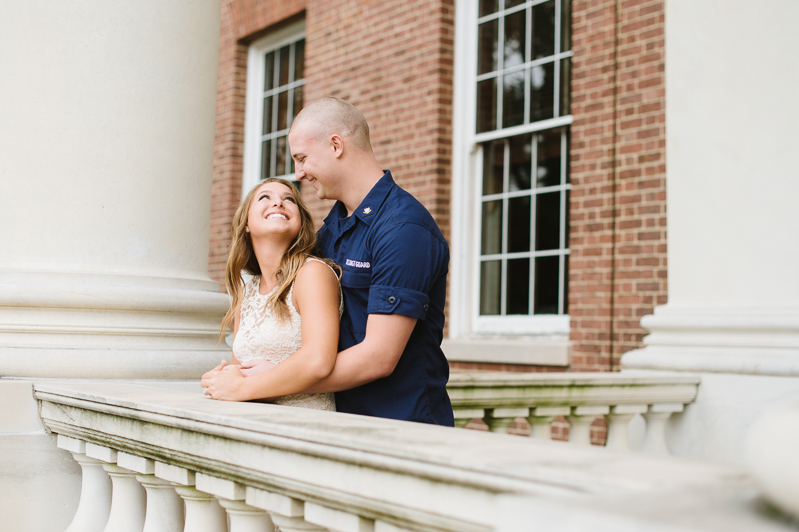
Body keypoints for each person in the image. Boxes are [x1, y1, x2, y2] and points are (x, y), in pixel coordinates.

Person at [241, 97, 454, 426]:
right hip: (339, 425)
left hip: (400, 428)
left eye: (302, 158)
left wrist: (267, 383)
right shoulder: (330, 231)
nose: (298, 173)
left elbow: (378, 358)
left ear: (336, 145)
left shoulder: (402, 229)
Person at [200, 178, 342, 410]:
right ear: (246, 223)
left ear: (301, 223)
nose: (278, 203)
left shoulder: (312, 273)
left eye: (289, 199)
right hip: (252, 422)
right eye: (265, 197)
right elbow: (240, 368)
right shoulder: (245, 289)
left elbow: (318, 361)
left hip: (303, 425)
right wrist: (221, 379)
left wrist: (240, 387)